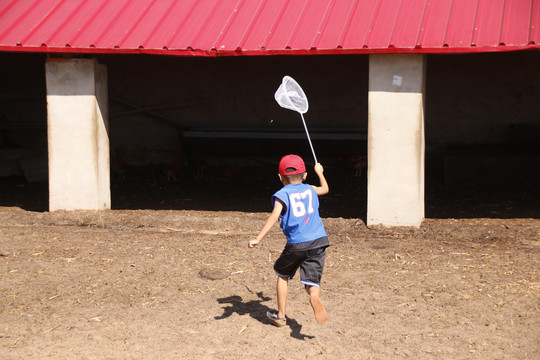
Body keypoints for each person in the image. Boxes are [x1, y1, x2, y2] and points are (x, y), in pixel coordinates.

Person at [248, 154, 330, 327]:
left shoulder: (282, 194)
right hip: (319, 241)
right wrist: (320, 172)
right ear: (305, 175)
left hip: (297, 244)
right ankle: (314, 296)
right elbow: (325, 189)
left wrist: (258, 238)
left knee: (282, 274)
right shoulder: (310, 189)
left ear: (280, 177)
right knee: (312, 281)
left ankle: (281, 315)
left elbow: (274, 217)